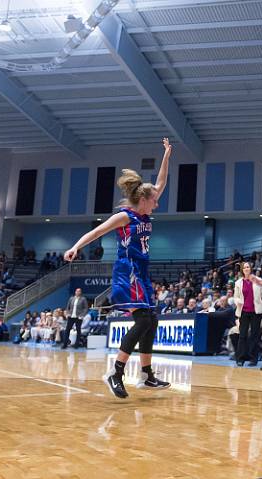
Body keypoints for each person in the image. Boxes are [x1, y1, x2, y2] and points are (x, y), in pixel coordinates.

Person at [63, 138, 173, 399]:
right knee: (144, 320)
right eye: (154, 200)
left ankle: (146, 375)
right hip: (128, 272)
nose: (157, 203)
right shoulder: (125, 216)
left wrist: (167, 154)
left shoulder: (144, 213)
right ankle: (116, 372)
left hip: (142, 272)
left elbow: (162, 181)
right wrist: (76, 247)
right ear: (144, 199)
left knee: (152, 320)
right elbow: (96, 231)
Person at [233, 262, 262, 367]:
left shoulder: (258, 281)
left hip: (256, 312)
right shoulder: (238, 283)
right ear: (242, 270)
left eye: (248, 267)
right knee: (242, 335)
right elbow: (235, 297)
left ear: (251, 268)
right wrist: (238, 301)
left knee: (254, 335)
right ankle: (240, 358)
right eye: (244, 267)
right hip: (243, 311)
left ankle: (253, 359)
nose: (246, 269)